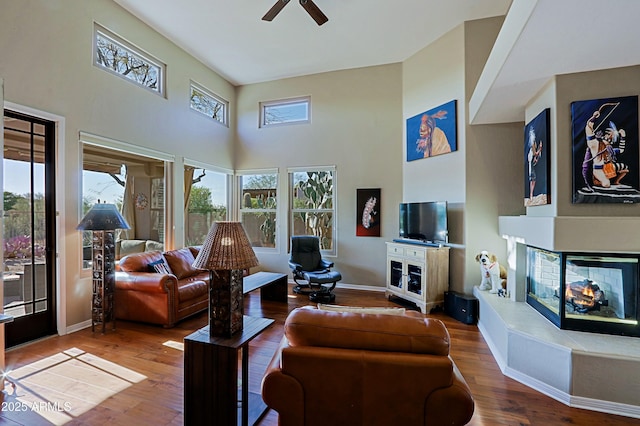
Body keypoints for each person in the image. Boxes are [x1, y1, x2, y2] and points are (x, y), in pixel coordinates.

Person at [582, 106, 628, 189]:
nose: (610, 137)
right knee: (606, 184)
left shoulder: (609, 148)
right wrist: (593, 118)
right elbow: (588, 130)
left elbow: (621, 150)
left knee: (624, 167)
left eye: (612, 137)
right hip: (598, 169)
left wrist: (623, 137)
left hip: (608, 167)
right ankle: (597, 180)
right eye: (609, 135)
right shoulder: (596, 144)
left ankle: (616, 181)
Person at [527, 127, 543, 202]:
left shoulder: (532, 144)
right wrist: (540, 148)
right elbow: (535, 153)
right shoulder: (533, 144)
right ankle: (531, 195)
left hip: (531, 161)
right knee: (533, 179)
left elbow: (535, 155)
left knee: (533, 179)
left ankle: (531, 195)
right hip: (531, 162)